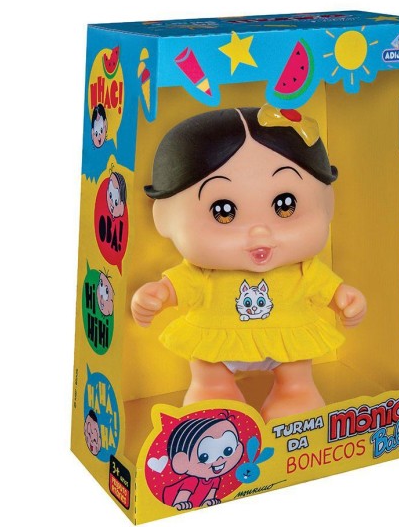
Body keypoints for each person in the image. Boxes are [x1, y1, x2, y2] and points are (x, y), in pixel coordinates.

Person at [131, 105, 366, 421]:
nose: (260, 233)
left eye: (285, 205)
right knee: (208, 371)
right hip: (218, 345)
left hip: (287, 343)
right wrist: (157, 294)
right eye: (223, 211)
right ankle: (214, 394)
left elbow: (329, 290)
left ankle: (295, 394)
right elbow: (176, 287)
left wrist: (345, 299)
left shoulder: (303, 269)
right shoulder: (203, 273)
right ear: (164, 217)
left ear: (327, 203)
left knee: (297, 371)